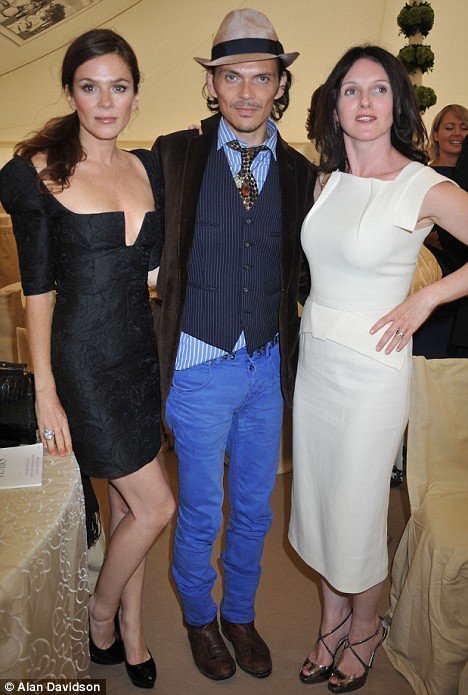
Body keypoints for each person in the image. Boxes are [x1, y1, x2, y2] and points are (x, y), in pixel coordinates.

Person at [288, 45, 468, 693]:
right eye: (351, 90)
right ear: (334, 107)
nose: (365, 102)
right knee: (317, 498)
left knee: (356, 506)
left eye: (379, 89)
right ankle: (331, 618)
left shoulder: (425, 185)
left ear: (398, 104)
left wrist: (429, 296)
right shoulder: (325, 181)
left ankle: (365, 626)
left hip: (373, 373)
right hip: (317, 364)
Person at [0, 29, 175, 689]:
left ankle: (130, 631)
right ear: (71, 93)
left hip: (139, 355)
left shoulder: (147, 167)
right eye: (90, 87)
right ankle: (101, 611)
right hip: (83, 361)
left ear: (135, 94)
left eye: (118, 87)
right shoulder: (39, 173)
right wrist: (45, 389)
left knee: (130, 506)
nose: (106, 102)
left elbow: (150, 272)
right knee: (157, 505)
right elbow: (38, 291)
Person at [152, 8, 315, 682]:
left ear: (281, 85)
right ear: (211, 84)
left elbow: (305, 271)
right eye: (232, 76)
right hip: (198, 364)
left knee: (253, 508)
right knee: (199, 510)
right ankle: (198, 615)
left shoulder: (301, 172)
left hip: (266, 368)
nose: (247, 92)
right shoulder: (174, 154)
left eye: (261, 77)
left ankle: (240, 613)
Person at [413, 104, 468, 358]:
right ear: (435, 134)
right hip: (436, 271)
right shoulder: (423, 176)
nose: (457, 133)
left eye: (464, 127)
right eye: (449, 127)